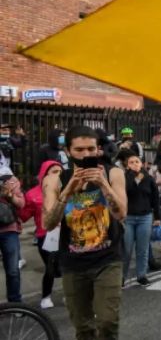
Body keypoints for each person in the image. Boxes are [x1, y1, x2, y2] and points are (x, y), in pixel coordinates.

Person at [42, 126, 128, 339]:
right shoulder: (55, 179)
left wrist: (103, 185)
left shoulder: (114, 173)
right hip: (73, 263)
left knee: (108, 321)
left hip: (108, 260)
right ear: (68, 151)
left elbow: (121, 214)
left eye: (91, 149)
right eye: (79, 149)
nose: (86, 154)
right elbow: (48, 223)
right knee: (83, 327)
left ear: (98, 149)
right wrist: (68, 190)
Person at [19, 161, 62, 308]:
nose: (58, 175)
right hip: (45, 236)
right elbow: (24, 216)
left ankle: (70, 294)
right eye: (54, 172)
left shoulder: (67, 189)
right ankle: (46, 297)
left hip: (67, 234)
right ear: (44, 174)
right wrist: (15, 199)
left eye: (59, 171)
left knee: (68, 266)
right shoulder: (32, 194)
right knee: (51, 266)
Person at [121, 153, 161, 286]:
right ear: (127, 165)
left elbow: (155, 198)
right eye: (131, 162)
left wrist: (157, 217)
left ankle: (141, 274)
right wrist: (133, 176)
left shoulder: (149, 179)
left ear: (142, 164)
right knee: (126, 249)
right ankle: (122, 276)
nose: (134, 164)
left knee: (143, 248)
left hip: (145, 217)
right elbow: (127, 191)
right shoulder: (124, 178)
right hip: (128, 217)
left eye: (137, 162)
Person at [0, 168, 25, 303]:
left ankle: (15, 302)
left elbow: (21, 204)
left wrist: (9, 195)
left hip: (9, 230)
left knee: (12, 270)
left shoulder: (11, 180)